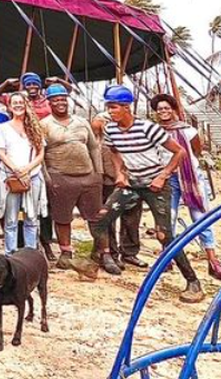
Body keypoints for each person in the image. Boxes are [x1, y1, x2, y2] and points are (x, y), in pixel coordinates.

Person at [91, 85, 204, 303]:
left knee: (165, 235)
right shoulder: (111, 130)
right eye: (108, 107)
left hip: (156, 186)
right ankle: (95, 260)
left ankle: (193, 281)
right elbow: (114, 151)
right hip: (132, 183)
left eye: (113, 107)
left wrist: (163, 176)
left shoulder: (148, 128)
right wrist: (120, 173)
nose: (110, 111)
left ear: (126, 108)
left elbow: (179, 152)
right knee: (100, 220)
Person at [40, 85, 119, 274]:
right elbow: (40, 153)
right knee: (62, 217)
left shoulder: (82, 122)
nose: (60, 102)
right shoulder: (44, 125)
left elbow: (93, 147)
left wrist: (98, 173)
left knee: (97, 217)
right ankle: (66, 252)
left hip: (88, 177)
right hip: (60, 176)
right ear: (49, 103)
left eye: (63, 98)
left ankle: (105, 254)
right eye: (55, 99)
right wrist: (48, 178)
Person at [150, 93, 221, 280]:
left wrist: (186, 170)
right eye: (159, 110)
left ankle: (212, 260)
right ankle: (167, 259)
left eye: (166, 108)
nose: (163, 112)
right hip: (168, 178)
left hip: (192, 179)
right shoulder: (155, 132)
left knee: (200, 217)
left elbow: (196, 151)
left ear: (173, 110)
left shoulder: (188, 131)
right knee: (167, 219)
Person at [91, 112, 144, 269]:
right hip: (109, 180)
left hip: (134, 179)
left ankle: (129, 252)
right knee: (109, 218)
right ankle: (111, 253)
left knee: (132, 218)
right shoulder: (101, 128)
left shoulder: (136, 129)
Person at [0, 93, 46, 255]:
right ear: (9, 107)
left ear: (26, 105)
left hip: (33, 176)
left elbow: (40, 153)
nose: (18, 105)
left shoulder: (35, 127)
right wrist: (17, 170)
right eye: (14, 103)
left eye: (21, 102)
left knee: (31, 218)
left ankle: (30, 254)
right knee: (11, 219)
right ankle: (10, 253)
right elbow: (2, 154)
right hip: (11, 176)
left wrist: (26, 170)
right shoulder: (3, 128)